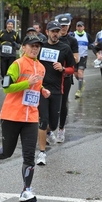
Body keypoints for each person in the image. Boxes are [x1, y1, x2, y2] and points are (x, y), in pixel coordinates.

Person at [0, 34, 50, 202]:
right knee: (7, 152)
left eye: (37, 46)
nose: (35, 49)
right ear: (24, 47)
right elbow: (6, 87)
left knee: (29, 155)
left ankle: (26, 190)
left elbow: (37, 83)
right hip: (12, 115)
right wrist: (26, 84)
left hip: (31, 117)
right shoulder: (17, 65)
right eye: (31, 46)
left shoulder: (41, 67)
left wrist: (42, 89)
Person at [36, 21, 75, 165]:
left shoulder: (65, 48)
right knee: (43, 120)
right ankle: (41, 153)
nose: (55, 33)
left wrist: (63, 69)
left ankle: (50, 131)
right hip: (42, 88)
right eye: (52, 31)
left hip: (57, 89)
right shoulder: (40, 47)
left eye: (57, 31)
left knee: (52, 124)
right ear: (47, 32)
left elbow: (72, 68)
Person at [54, 15, 78, 144]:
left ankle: (61, 129)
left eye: (65, 26)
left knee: (63, 103)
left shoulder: (72, 41)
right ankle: (47, 129)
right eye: (61, 25)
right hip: (51, 75)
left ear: (69, 26)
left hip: (65, 76)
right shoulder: (53, 38)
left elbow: (76, 59)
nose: (63, 28)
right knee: (49, 102)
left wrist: (65, 58)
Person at [73, 20, 93, 99]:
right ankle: (81, 82)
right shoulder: (73, 35)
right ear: (76, 27)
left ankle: (79, 91)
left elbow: (92, 44)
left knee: (80, 72)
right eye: (78, 26)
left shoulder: (87, 35)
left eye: (81, 26)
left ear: (83, 27)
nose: (79, 28)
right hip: (74, 57)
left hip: (83, 57)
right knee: (75, 74)